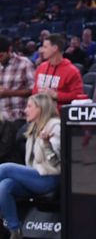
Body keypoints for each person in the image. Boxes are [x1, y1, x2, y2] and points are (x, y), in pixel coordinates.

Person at [0, 93, 60, 239]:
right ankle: (15, 231)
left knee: (5, 168)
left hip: (49, 179)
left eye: (29, 106)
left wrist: (46, 144)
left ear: (41, 109)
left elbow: (56, 163)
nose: (25, 110)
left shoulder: (55, 126)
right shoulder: (32, 128)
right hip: (34, 178)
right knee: (5, 186)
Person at [0, 36, 34, 163]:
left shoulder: (24, 64)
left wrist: (9, 93)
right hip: (1, 115)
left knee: (7, 138)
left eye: (1, 56)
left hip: (17, 115)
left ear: (9, 50)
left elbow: (33, 90)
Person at [31, 34, 84, 108]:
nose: (42, 50)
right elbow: (34, 91)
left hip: (59, 116)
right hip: (39, 114)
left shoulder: (72, 71)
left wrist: (56, 95)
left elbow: (78, 96)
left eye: (45, 47)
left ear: (55, 48)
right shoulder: (41, 67)